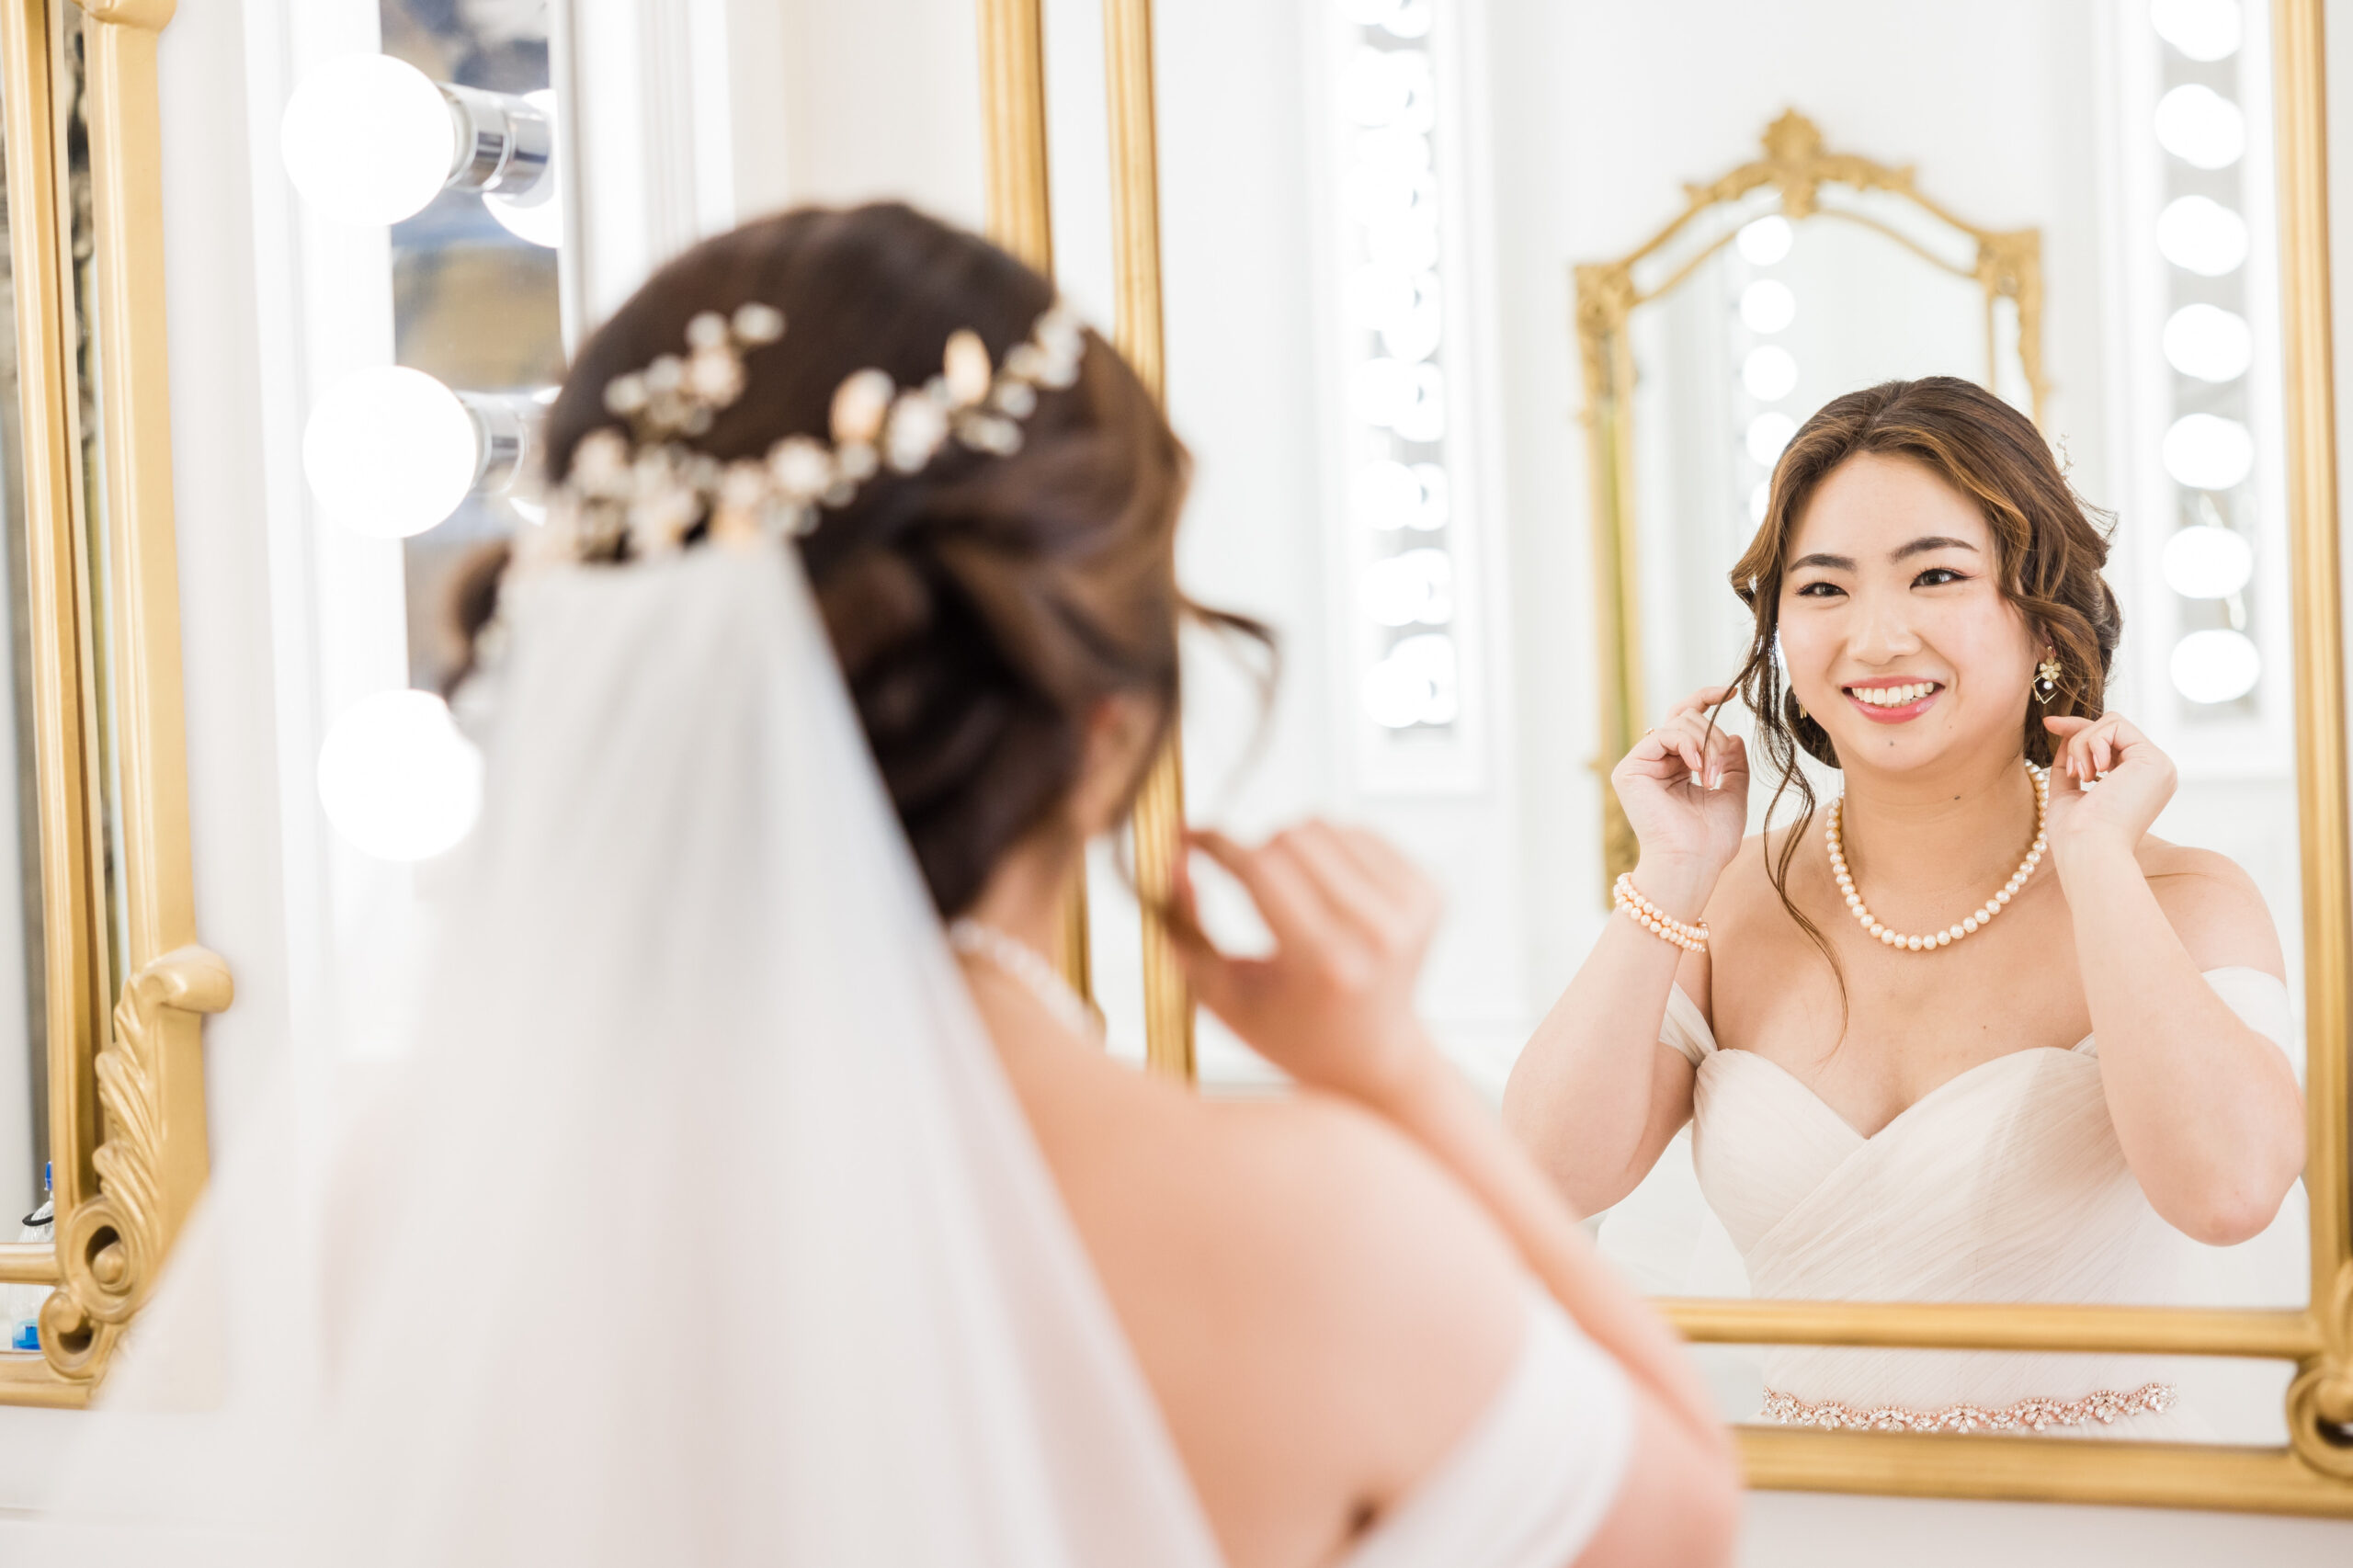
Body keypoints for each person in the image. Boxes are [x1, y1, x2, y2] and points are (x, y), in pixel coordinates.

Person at [27, 204, 1735, 1567]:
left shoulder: (391, 1197)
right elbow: (1680, 1510)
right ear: (1104, 728)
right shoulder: (1310, 1227)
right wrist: (1390, 1075)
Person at [1504, 377, 2304, 1437]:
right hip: (1815, 1517)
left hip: (2116, 1517)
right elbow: (1541, 1180)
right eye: (1823, 589)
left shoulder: (2179, 895)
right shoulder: (1729, 900)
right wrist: (1671, 871)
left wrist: (2096, 860)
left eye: (1935, 575)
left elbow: (2230, 1191)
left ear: (2043, 615)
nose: (1875, 638)